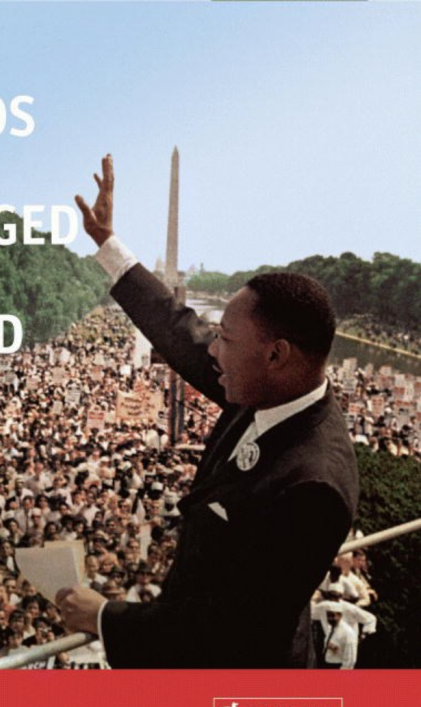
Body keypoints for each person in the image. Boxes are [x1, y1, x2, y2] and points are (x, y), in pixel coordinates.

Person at [57, 155, 359, 668]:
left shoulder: (313, 487)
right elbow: (178, 330)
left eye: (223, 337)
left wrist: (105, 617)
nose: (211, 350)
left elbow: (230, 631)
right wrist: (108, 243)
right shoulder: (269, 391)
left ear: (275, 354)